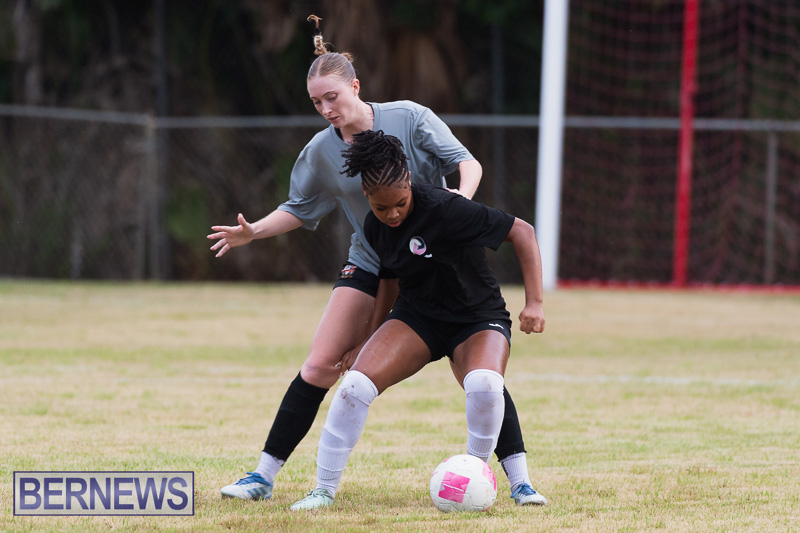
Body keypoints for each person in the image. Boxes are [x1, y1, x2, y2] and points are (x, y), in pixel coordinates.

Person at [209, 15, 544, 506]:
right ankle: (263, 475)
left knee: (479, 378)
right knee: (322, 365)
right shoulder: (321, 152)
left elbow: (467, 164)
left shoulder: (409, 117)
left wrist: (458, 207)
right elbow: (299, 208)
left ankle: (518, 479)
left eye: (332, 97)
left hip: (438, 260)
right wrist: (254, 231)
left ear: (355, 87)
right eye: (316, 103)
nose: (326, 109)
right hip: (374, 262)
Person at [290, 130, 547, 510]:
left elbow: (522, 231)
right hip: (418, 318)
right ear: (366, 195)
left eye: (400, 203)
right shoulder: (375, 227)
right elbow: (389, 280)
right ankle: (323, 491)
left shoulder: (448, 208)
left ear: (409, 181)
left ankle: (509, 483)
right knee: (354, 386)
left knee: (485, 385)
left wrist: (535, 303)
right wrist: (367, 340)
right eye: (381, 207)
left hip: (476, 317)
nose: (392, 214)